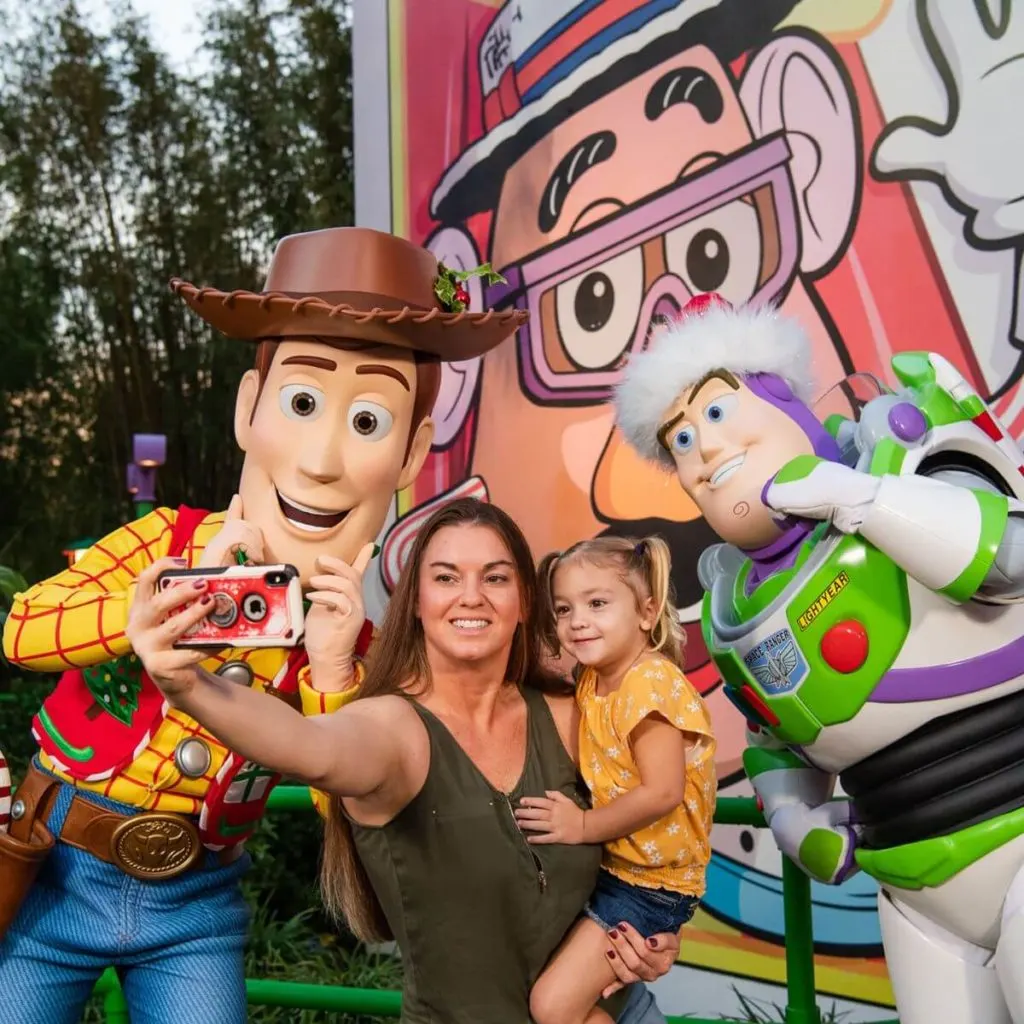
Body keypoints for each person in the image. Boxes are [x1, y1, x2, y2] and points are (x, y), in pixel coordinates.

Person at [0, 227, 525, 1024]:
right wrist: (142, 612)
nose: (320, 461)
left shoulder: (351, 642)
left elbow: (349, 811)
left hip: (196, 905)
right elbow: (21, 629)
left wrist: (330, 675)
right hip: (54, 872)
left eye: (369, 423)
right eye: (303, 403)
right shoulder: (166, 540)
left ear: (414, 453)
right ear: (251, 411)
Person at [613, 291, 1024, 1023]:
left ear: (780, 402)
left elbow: (1009, 561)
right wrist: (792, 816)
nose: (703, 452)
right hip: (915, 893)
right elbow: (775, 732)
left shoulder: (908, 460)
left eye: (714, 414)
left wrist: (865, 500)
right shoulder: (737, 605)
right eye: (679, 441)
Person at [123, 496, 680, 1023]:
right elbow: (307, 745)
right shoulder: (395, 729)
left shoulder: (575, 712)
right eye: (445, 577)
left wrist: (655, 928)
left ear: (524, 601)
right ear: (415, 601)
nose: (471, 596)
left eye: (495, 577)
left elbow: (657, 829)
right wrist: (185, 684)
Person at [519, 536, 716, 1024]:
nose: (577, 621)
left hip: (650, 885)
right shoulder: (593, 678)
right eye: (564, 609)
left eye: (598, 603)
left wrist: (583, 827)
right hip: (619, 872)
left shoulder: (647, 681)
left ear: (647, 614)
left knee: (552, 1006)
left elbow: (663, 790)